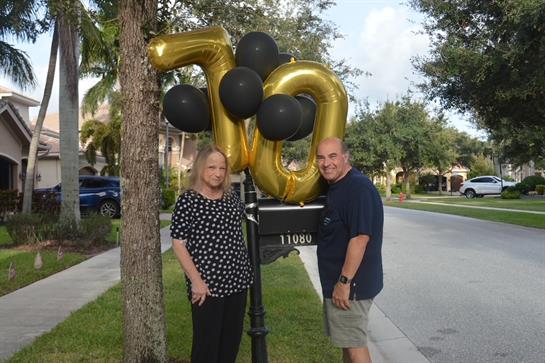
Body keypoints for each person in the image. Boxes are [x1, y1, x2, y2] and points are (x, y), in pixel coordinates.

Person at [170, 144, 253, 363]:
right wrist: (196, 281)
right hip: (206, 287)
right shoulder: (188, 201)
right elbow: (178, 244)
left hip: (237, 281)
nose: (217, 173)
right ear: (200, 168)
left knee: (230, 343)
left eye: (222, 168)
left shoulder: (232, 198)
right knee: (206, 347)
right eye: (211, 167)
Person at [316, 137, 384, 363]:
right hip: (341, 283)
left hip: (351, 285)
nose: (327, 163)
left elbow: (360, 239)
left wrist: (344, 283)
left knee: (355, 349)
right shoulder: (338, 186)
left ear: (345, 157)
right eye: (321, 158)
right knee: (347, 344)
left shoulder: (357, 188)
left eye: (333, 156)